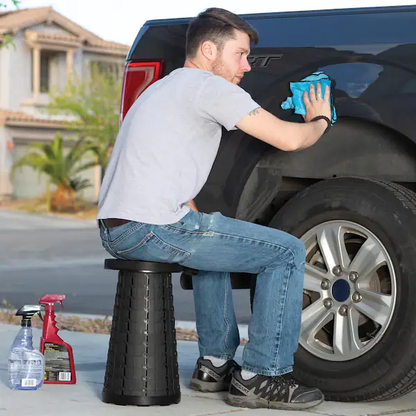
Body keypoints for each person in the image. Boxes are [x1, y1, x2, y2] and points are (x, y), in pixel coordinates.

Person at [97, 7, 332, 411]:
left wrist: (195, 216)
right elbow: (290, 140)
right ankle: (264, 375)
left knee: (213, 236)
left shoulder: (164, 88)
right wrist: (321, 118)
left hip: (118, 227)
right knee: (287, 252)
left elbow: (158, 170)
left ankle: (216, 363)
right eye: (240, 54)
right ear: (208, 50)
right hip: (150, 228)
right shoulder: (209, 87)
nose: (247, 66)